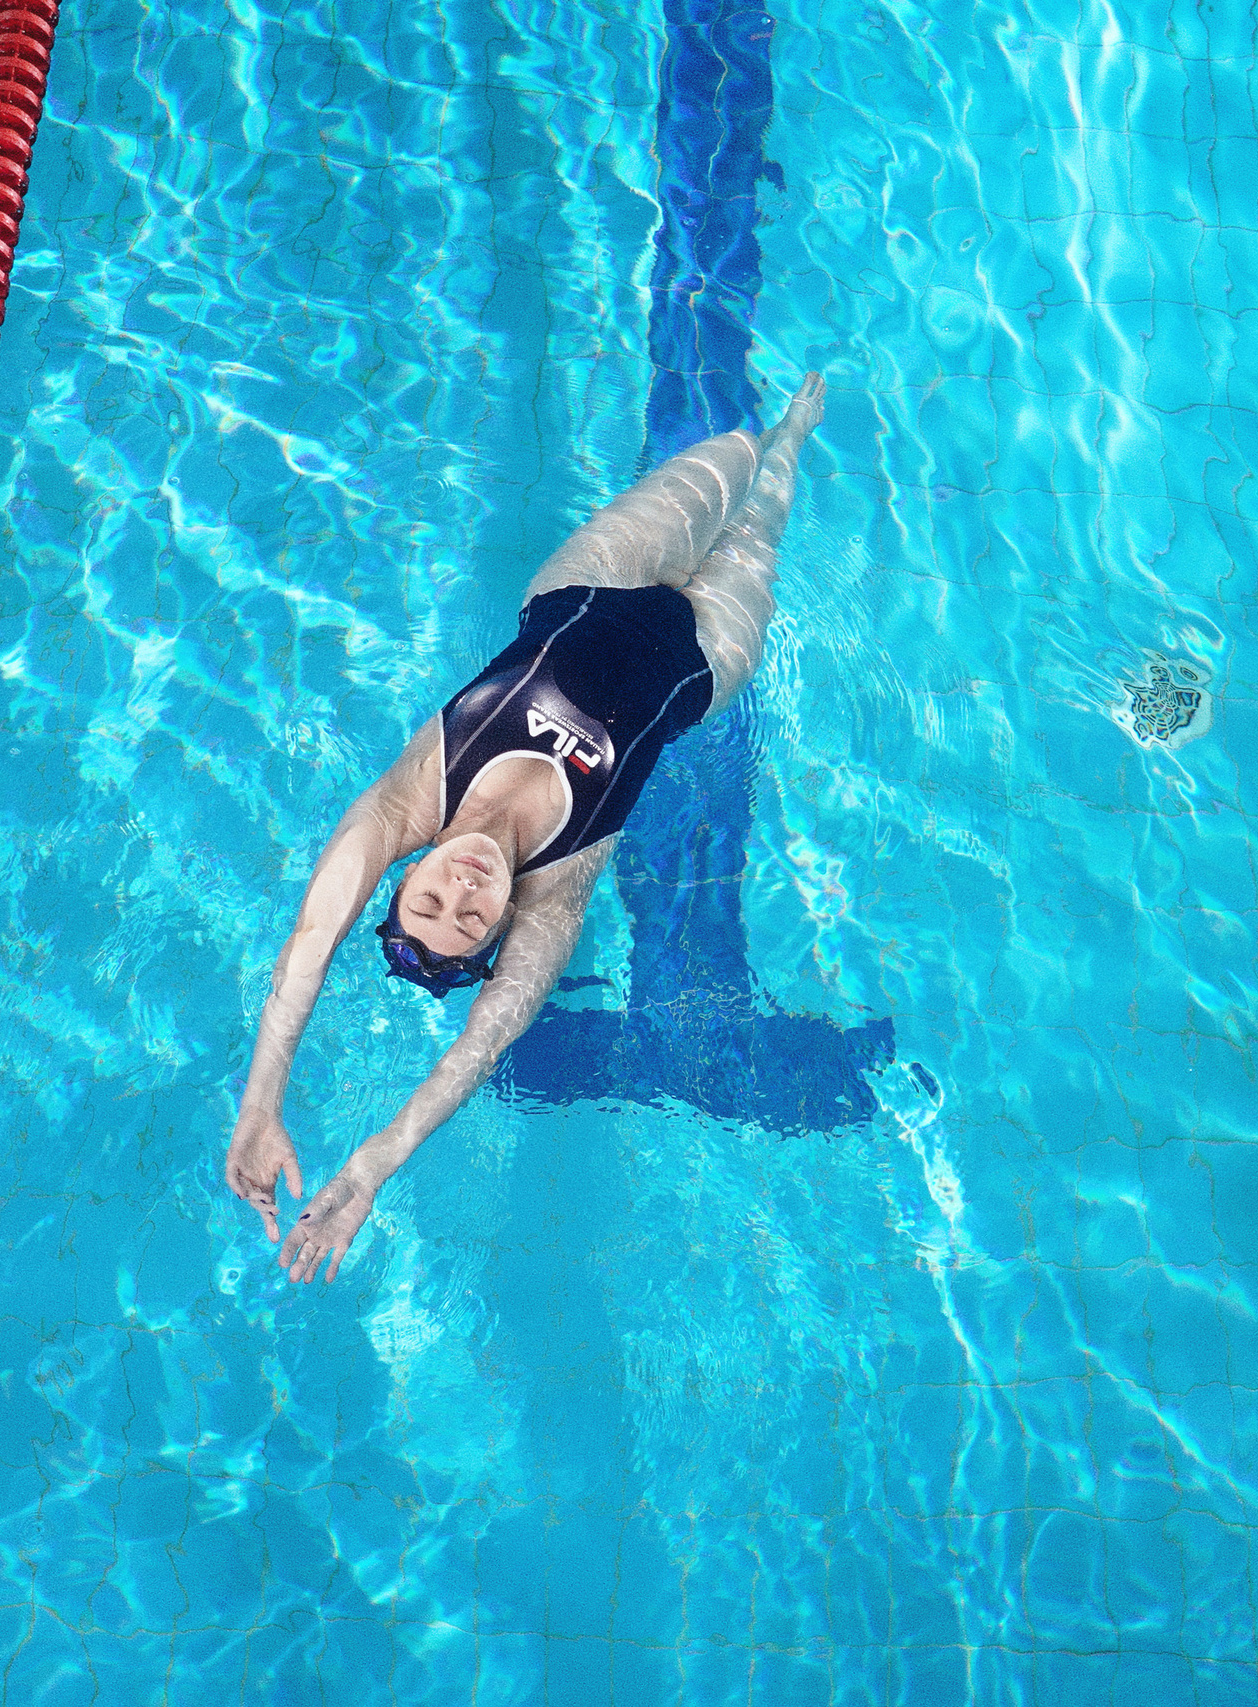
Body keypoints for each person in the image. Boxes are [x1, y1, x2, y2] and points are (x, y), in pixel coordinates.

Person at [224, 374, 828, 1283]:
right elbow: (483, 1043)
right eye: (472, 918)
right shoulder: (553, 897)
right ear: (506, 928)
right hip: (705, 657)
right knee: (774, 482)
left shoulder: (409, 799)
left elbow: (312, 938)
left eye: (430, 894)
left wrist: (262, 1101)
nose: (462, 888)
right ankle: (800, 433)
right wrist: (372, 1164)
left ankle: (770, 424)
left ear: (405, 870)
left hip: (597, 579)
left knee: (732, 458)